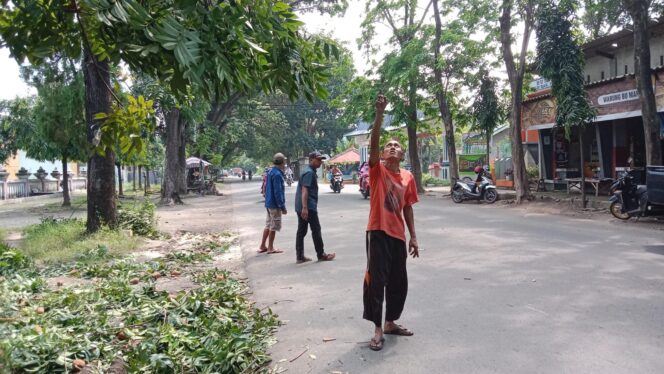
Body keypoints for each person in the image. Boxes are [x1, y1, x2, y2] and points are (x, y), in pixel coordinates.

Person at [363, 95, 419, 352]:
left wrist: (414, 236)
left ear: (403, 153)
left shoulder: (408, 176)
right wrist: (378, 114)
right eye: (389, 145)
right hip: (377, 231)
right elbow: (373, 143)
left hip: (397, 236)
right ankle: (376, 328)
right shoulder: (377, 170)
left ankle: (390, 322)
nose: (393, 147)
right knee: (377, 281)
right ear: (382, 154)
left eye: (397, 145)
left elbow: (407, 207)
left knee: (399, 281)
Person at [295, 151, 336, 264]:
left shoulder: (308, 171)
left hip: (302, 205)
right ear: (311, 159)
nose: (320, 162)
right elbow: (305, 190)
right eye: (318, 159)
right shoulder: (309, 173)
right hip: (308, 206)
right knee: (316, 229)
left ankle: (300, 256)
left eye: (321, 160)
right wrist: (305, 208)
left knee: (301, 231)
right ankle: (321, 254)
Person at [258, 153, 288, 254]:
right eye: (284, 161)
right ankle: (270, 248)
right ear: (282, 162)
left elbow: (266, 188)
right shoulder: (278, 174)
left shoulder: (270, 172)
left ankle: (263, 245)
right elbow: (278, 192)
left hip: (268, 203)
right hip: (275, 204)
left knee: (268, 224)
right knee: (273, 226)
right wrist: (282, 206)